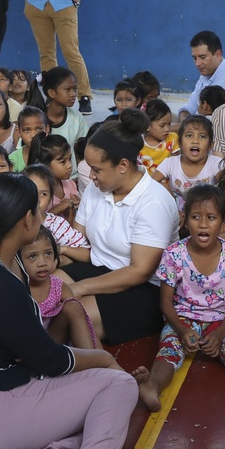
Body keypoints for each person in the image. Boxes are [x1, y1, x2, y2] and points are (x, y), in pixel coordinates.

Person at [0, 172, 138, 449]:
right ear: (27, 219)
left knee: (97, 415)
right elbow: (50, 361)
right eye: (39, 211)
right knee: (120, 385)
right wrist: (103, 359)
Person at [133, 184, 225, 413]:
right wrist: (181, 330)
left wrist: (220, 335)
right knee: (168, 351)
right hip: (182, 319)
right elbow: (165, 302)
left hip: (220, 322)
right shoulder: (174, 254)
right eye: (196, 217)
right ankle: (152, 385)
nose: (203, 224)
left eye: (211, 217)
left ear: (223, 224)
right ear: (184, 220)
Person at [56, 110, 179, 344]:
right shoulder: (97, 188)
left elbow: (139, 271)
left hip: (144, 289)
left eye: (97, 169)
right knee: (42, 292)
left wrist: (80, 287)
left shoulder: (154, 202)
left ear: (123, 165)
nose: (90, 176)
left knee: (68, 314)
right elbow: (77, 241)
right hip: (98, 266)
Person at [21, 226, 97, 349]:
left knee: (74, 306)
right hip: (27, 350)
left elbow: (82, 321)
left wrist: (103, 356)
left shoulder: (58, 287)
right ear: (18, 260)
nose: (43, 263)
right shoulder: (16, 288)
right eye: (32, 256)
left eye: (48, 253)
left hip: (53, 344)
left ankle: (98, 361)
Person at [153, 115, 222, 211]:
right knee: (162, 186)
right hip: (177, 212)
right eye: (189, 135)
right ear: (180, 143)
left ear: (210, 145)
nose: (195, 141)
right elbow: (150, 182)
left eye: (202, 136)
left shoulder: (216, 163)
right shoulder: (171, 163)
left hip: (206, 210)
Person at [23, 164, 90, 258]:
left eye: (43, 194)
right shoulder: (13, 223)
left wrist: (62, 249)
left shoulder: (57, 225)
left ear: (50, 198)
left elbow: (87, 253)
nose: (37, 199)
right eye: (31, 191)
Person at [41, 66, 89, 180]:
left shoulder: (77, 117)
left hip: (73, 178)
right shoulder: (38, 119)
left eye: (74, 89)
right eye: (67, 90)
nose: (73, 94)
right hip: (45, 178)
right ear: (52, 93)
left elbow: (82, 150)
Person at [179, 31, 225, 121]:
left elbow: (212, 122)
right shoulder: (205, 75)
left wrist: (181, 126)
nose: (197, 63)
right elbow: (189, 108)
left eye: (202, 57)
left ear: (218, 55)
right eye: (194, 58)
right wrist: (184, 120)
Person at [140, 100, 179, 175]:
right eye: (162, 125)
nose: (167, 129)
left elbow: (176, 166)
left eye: (169, 124)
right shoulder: (138, 142)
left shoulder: (172, 138)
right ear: (147, 125)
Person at [8, 106, 49, 173]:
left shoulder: (54, 154)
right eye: (27, 130)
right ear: (19, 132)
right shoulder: (12, 159)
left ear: (47, 129)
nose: (33, 135)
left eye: (39, 129)